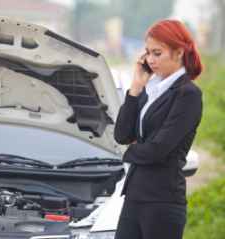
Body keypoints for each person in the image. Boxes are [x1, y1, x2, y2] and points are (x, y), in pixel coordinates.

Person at [113, 19, 203, 239]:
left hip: (162, 202)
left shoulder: (188, 94)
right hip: (134, 197)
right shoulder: (150, 90)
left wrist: (129, 151)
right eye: (148, 53)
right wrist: (135, 88)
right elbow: (122, 134)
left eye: (157, 53)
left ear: (179, 52)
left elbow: (158, 149)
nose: (150, 60)